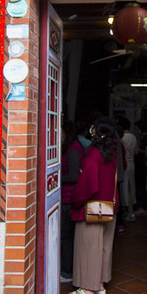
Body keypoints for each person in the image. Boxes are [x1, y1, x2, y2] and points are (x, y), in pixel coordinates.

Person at [67, 117, 120, 294]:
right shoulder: (112, 151)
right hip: (108, 205)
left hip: (92, 206)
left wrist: (75, 201)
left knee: (88, 247)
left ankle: (88, 288)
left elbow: (88, 184)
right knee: (104, 246)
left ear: (96, 132)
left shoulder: (93, 153)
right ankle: (99, 283)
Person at [60, 119, 92, 283]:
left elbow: (73, 175)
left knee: (67, 236)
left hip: (68, 198)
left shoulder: (73, 150)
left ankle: (67, 271)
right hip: (66, 198)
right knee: (67, 235)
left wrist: (55, 179)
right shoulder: (72, 148)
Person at [117, 116, 138, 222]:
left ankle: (128, 211)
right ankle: (131, 210)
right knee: (131, 186)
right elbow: (136, 152)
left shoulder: (121, 138)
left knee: (124, 188)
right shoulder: (133, 137)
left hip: (124, 164)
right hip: (132, 164)